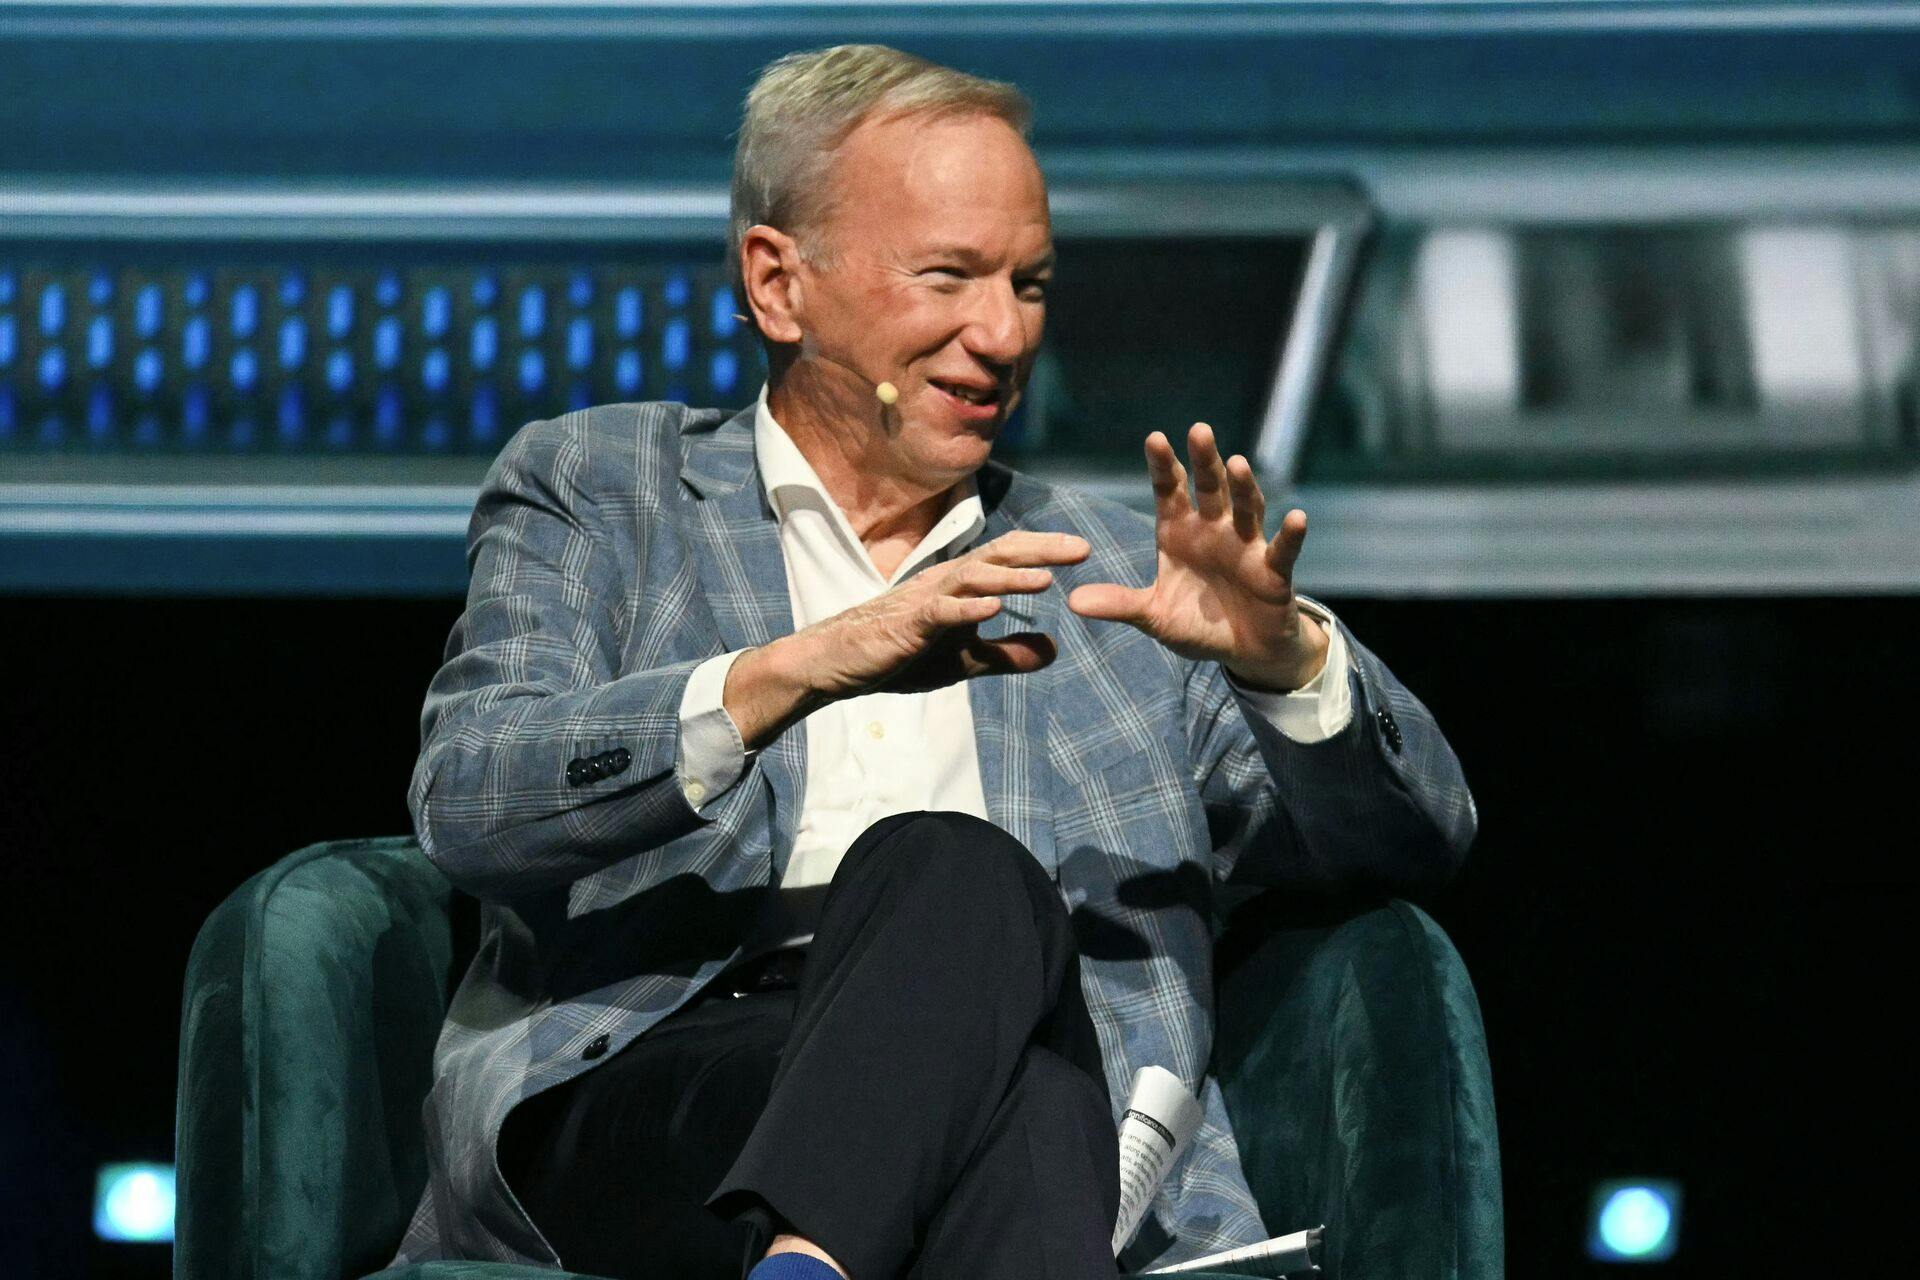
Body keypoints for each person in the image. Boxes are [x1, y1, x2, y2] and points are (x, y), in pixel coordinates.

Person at [392, 43, 1476, 1280]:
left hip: (1035, 1117)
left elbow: (1418, 838)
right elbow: (472, 797)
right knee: (966, 895)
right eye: (951, 276)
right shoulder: (606, 490)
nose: (1004, 332)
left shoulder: (1119, 578)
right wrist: (793, 671)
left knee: (1035, 1090)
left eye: (1031, 281)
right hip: (654, 1095)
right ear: (778, 284)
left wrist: (1288, 664)